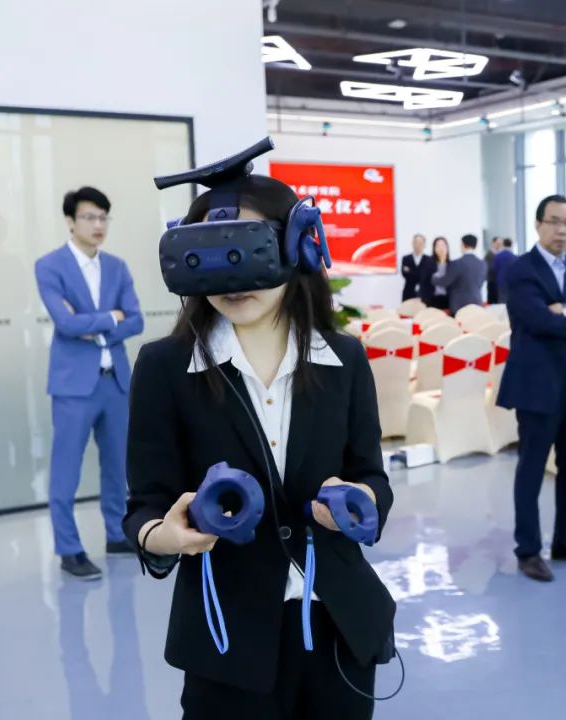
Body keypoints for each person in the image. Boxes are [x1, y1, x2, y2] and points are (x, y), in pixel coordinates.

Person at [123, 174, 395, 719]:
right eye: (209, 255)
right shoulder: (164, 367)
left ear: (295, 246)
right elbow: (144, 507)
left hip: (339, 628)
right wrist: (164, 536)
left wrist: (360, 502)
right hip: (228, 639)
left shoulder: (344, 360)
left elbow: (373, 478)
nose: (232, 277)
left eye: (247, 249)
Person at [497, 195, 566, 583]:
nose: (562, 230)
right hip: (537, 385)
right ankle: (528, 550)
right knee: (531, 468)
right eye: (554, 221)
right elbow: (537, 320)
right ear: (538, 224)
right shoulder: (521, 270)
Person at [34, 186, 144, 580]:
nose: (98, 225)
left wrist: (91, 324)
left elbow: (137, 320)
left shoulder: (117, 267)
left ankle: (116, 534)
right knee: (66, 468)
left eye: (103, 217)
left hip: (114, 381)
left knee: (118, 466)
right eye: (89, 217)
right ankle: (69, 549)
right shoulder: (50, 266)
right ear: (70, 221)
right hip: (73, 385)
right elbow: (65, 324)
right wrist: (111, 317)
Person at [432, 233, 485, 315]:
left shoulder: (456, 264)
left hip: (459, 305)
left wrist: (434, 278)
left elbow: (444, 282)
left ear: (463, 245)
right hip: (477, 303)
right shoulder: (482, 264)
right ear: (476, 246)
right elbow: (480, 283)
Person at [420, 236, 451, 311]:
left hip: (449, 300)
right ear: (434, 248)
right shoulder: (428, 263)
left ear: (447, 247)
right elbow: (423, 283)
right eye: (438, 246)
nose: (441, 248)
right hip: (432, 300)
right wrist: (424, 300)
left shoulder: (452, 264)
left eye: (443, 245)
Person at [400, 233, 432, 302]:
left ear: (424, 245)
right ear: (412, 243)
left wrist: (410, 271)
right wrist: (420, 273)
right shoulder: (406, 259)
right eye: (416, 242)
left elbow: (426, 276)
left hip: (424, 295)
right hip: (408, 294)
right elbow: (405, 274)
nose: (418, 245)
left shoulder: (429, 260)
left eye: (420, 243)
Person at [493, 238, 518, 304]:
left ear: (503, 245)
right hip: (512, 282)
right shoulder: (515, 257)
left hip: (501, 282)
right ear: (511, 245)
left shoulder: (497, 256)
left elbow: (495, 269)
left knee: (501, 301)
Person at [485, 236, 503, 304]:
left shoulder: (501, 254)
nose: (499, 245)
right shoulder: (489, 254)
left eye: (500, 243)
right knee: (492, 301)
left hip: (499, 283)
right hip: (492, 281)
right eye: (498, 243)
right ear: (493, 243)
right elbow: (488, 267)